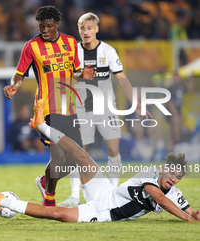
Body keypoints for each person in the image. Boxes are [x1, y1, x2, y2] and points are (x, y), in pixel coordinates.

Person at [0, 99, 200, 223]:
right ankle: (41, 125)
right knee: (81, 154)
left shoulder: (175, 194)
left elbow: (191, 211)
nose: (175, 179)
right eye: (172, 173)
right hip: (106, 192)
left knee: (57, 214)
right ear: (163, 169)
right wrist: (189, 220)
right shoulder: (149, 173)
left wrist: (195, 215)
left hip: (104, 211)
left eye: (179, 177)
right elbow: (161, 201)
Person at [3, 5, 96, 206]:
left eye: (49, 26)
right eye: (41, 26)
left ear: (57, 24)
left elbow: (75, 71)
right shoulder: (31, 47)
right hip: (46, 109)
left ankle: (45, 182)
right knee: (58, 156)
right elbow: (19, 74)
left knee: (73, 160)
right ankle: (49, 200)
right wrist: (14, 86)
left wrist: (84, 75)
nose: (44, 30)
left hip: (68, 107)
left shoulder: (71, 43)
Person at [59, 12, 153, 207]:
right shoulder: (73, 52)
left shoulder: (108, 51)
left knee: (113, 150)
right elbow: (66, 78)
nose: (86, 32)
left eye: (89, 28)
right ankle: (75, 195)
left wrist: (135, 103)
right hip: (81, 108)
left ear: (97, 29)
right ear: (79, 30)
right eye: (82, 29)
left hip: (106, 109)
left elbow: (121, 78)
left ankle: (112, 194)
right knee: (78, 151)